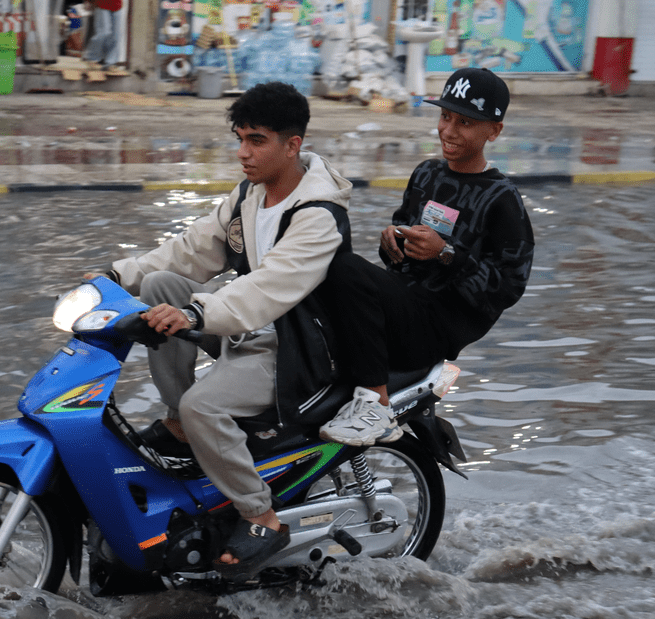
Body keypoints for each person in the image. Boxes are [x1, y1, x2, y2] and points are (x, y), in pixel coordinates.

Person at [86, 82, 353, 579]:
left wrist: (195, 314)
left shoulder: (319, 216)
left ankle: (260, 516)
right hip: (248, 329)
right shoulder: (250, 195)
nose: (243, 153)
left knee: (203, 403)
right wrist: (117, 276)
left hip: (295, 347)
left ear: (292, 145)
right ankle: (182, 427)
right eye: (240, 139)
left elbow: (268, 290)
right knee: (163, 284)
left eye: (256, 141)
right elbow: (192, 249)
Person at [318, 67, 534, 446]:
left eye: (464, 122)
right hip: (403, 303)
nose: (448, 131)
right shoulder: (426, 174)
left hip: (435, 328)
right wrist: (394, 242)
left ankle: (375, 405)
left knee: (345, 267)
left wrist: (448, 254)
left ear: (494, 131)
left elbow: (509, 288)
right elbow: (401, 251)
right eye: (445, 116)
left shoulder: (502, 199)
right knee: (325, 256)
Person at [83, 0, 123, 68]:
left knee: (115, 36)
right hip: (101, 4)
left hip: (117, 5)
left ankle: (110, 62)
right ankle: (91, 57)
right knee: (103, 32)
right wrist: (88, 1)